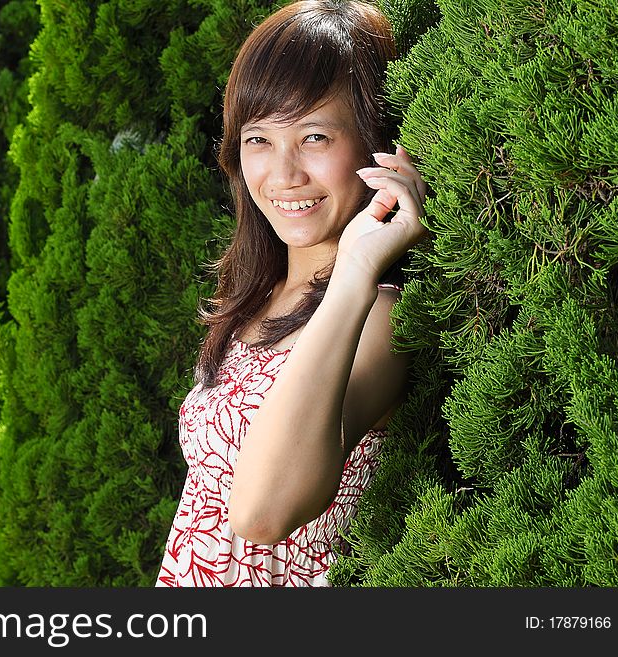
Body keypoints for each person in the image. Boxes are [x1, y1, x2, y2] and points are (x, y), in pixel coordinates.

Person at [157, 0, 428, 587]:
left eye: (313, 136)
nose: (283, 175)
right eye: (258, 139)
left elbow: (262, 514)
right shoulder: (257, 299)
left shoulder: (376, 315)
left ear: (375, 145)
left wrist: (356, 268)